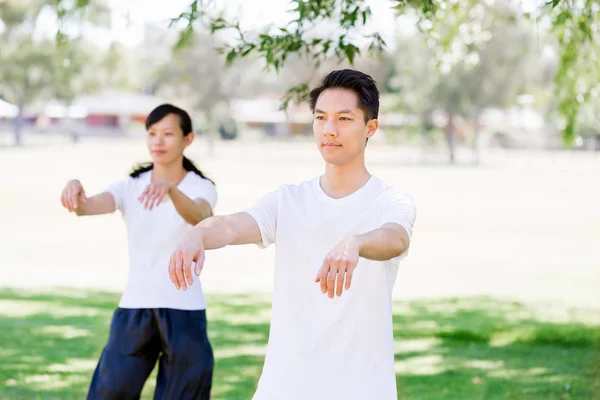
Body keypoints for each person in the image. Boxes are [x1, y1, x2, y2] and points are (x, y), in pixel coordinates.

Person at [169, 69, 417, 400]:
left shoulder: (390, 201)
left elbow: (396, 238)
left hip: (361, 388)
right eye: (321, 118)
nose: (329, 129)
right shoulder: (288, 200)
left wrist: (355, 242)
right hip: (283, 387)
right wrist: (196, 235)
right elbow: (230, 225)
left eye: (344, 118)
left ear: (370, 127)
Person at [60, 104, 216, 400]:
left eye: (168, 134)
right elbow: (87, 207)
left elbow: (199, 216)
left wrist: (170, 189)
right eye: (152, 133)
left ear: (188, 139)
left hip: (184, 308)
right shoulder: (130, 186)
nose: (158, 141)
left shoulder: (201, 186)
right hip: (135, 306)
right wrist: (75, 189)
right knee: (109, 392)